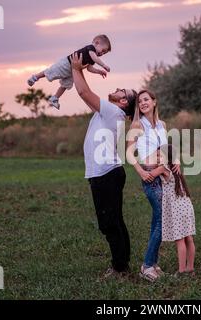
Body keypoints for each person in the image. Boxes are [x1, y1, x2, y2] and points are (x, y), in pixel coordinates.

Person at [71, 51, 137, 278]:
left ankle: (120, 268)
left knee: (109, 223)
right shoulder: (108, 112)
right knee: (114, 221)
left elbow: (83, 91)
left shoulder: (113, 111)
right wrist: (78, 70)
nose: (118, 88)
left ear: (124, 101)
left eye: (123, 90)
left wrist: (76, 67)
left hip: (106, 174)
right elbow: (85, 93)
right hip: (107, 173)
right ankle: (122, 264)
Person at [126, 89, 180, 282]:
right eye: (140, 101)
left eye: (146, 100)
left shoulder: (162, 125)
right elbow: (129, 153)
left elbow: (165, 149)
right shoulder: (137, 124)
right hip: (150, 177)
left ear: (154, 102)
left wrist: (174, 163)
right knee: (161, 222)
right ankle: (147, 266)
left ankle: (153, 264)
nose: (143, 103)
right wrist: (141, 172)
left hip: (163, 177)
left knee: (157, 221)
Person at [27, 34, 112, 110]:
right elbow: (94, 57)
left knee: (66, 85)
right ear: (97, 43)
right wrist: (104, 65)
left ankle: (55, 98)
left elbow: (89, 68)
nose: (102, 53)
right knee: (51, 71)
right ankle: (35, 77)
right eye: (103, 50)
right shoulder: (91, 48)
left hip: (73, 70)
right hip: (66, 64)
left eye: (104, 53)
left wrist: (99, 71)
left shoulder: (93, 56)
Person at [150, 145, 196, 277]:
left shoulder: (164, 168)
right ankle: (190, 268)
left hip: (177, 209)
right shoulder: (175, 168)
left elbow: (150, 175)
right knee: (189, 238)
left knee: (180, 240)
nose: (157, 158)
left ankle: (181, 271)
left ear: (167, 157)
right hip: (186, 206)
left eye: (159, 155)